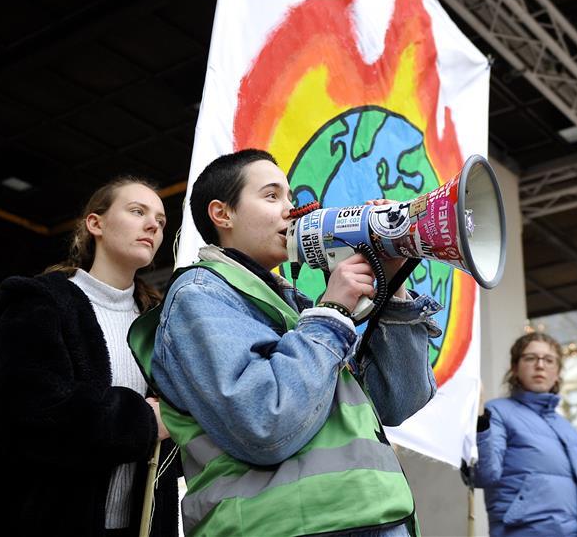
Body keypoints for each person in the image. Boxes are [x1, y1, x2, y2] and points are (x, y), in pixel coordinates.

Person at [131, 148, 442, 537]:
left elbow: (398, 401)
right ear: (222, 213)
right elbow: (264, 422)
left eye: (291, 197)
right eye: (271, 196)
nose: (292, 210)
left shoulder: (295, 309)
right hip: (290, 525)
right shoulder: (200, 294)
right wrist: (332, 313)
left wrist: (394, 286)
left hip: (371, 516)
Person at [0, 177, 180, 537]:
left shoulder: (160, 324)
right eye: (137, 211)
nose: (153, 224)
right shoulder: (40, 302)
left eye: (161, 221)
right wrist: (143, 421)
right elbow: (26, 411)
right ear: (95, 223)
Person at [473, 332, 577, 537]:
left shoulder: (570, 431)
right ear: (514, 367)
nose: (540, 365)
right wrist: (479, 421)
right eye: (530, 358)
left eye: (549, 360)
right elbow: (483, 474)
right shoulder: (497, 412)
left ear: (557, 372)